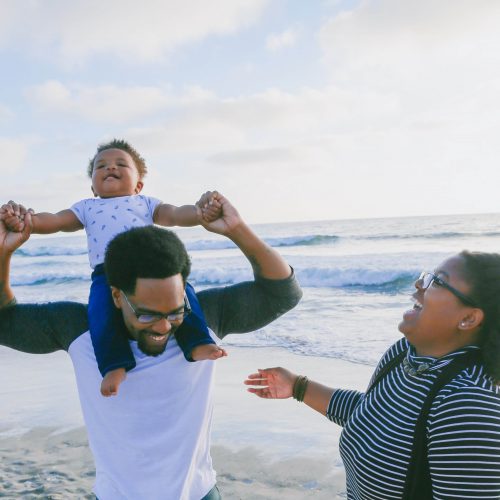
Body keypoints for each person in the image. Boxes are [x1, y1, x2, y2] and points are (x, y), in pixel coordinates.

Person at [0, 191, 302, 500]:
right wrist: (3, 253)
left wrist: (237, 229)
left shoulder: (203, 320)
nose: (163, 326)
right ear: (116, 296)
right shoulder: (79, 330)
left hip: (199, 493)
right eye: (147, 314)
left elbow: (283, 293)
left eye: (175, 311)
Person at [245, 254, 500, 499]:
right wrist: (298, 387)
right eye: (428, 275)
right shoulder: (404, 353)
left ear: (468, 318)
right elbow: (374, 416)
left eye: (438, 281)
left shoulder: (469, 405)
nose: (420, 283)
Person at [1, 139, 225, 397]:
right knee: (100, 314)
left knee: (184, 295)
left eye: (121, 164)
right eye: (101, 166)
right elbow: (55, 221)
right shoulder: (87, 207)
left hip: (149, 268)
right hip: (106, 274)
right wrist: (24, 221)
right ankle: (114, 365)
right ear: (93, 187)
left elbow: (175, 214)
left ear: (138, 185)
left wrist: (200, 212)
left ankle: (198, 343)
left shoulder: (146, 203)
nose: (110, 168)